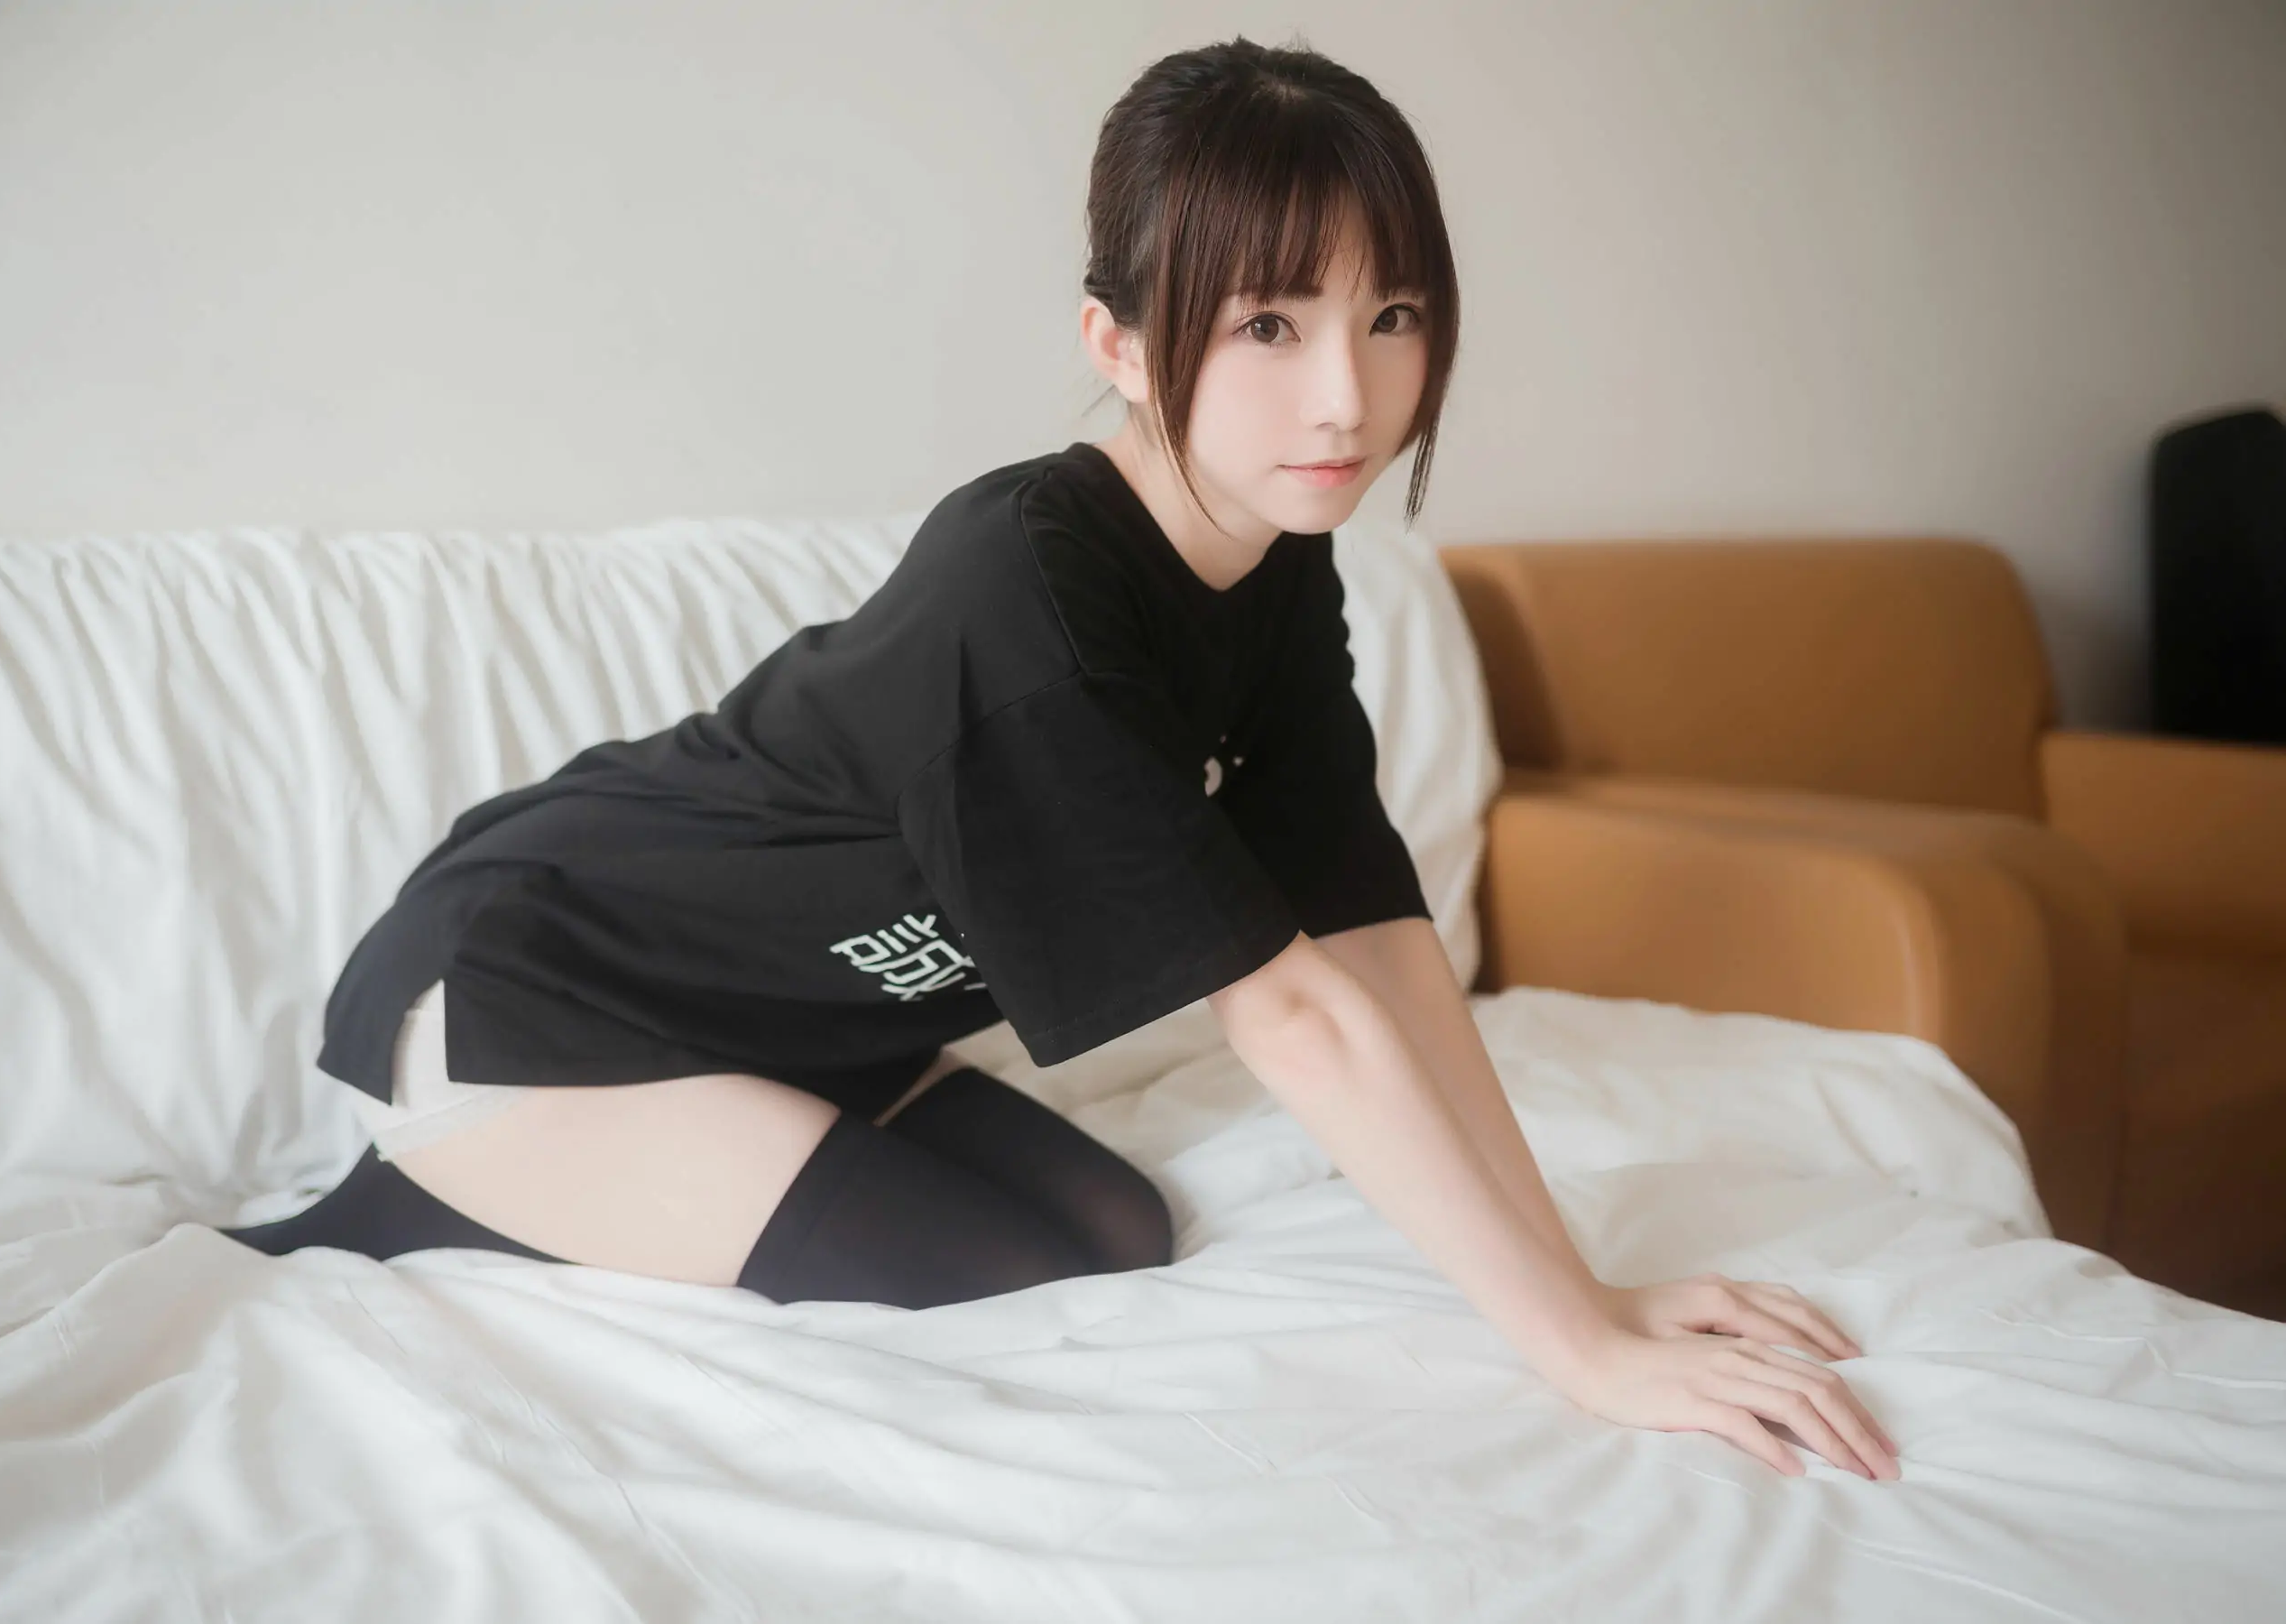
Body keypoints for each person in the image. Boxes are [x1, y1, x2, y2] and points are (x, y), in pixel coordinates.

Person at [224, 35, 1900, 1484]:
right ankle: (417, 1191)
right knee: (990, 1270)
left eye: (1388, 314)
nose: (1344, 396)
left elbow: (1377, 943)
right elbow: (1293, 1015)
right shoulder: (1024, 594)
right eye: (1267, 325)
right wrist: (1578, 1360)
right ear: (1116, 343)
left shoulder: (1273, 561)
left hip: (790, 1027)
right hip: (532, 1000)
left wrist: (1586, 1291)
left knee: (1109, 1234)